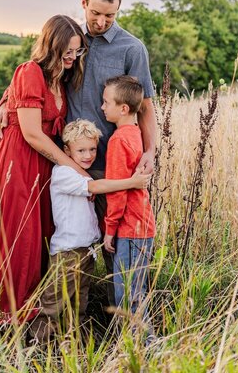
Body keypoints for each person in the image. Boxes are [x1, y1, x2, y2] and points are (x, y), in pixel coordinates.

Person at [0, 0, 156, 304]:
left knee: (116, 242)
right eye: (96, 13)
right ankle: (59, 314)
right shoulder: (72, 40)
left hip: (113, 163)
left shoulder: (132, 49)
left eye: (110, 15)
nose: (101, 21)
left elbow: (146, 106)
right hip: (68, 162)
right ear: (83, 2)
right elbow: (38, 71)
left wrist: (150, 150)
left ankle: (121, 320)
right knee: (67, 242)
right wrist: (4, 105)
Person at [0, 15, 91, 321]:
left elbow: (14, 97)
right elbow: (32, 132)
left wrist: (3, 103)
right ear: (51, 45)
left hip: (43, 167)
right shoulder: (31, 71)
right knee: (16, 236)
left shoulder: (60, 79)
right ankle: (5, 314)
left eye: (77, 51)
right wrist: (75, 170)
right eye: (67, 50)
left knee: (38, 237)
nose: (72, 57)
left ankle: (35, 313)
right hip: (17, 161)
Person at [29, 118, 152, 342]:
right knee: (53, 304)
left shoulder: (78, 173)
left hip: (86, 252)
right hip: (67, 254)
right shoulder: (63, 174)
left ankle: (73, 348)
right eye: (81, 150)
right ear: (66, 150)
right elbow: (95, 186)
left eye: (92, 149)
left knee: (79, 305)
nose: (88, 155)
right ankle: (37, 348)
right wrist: (131, 182)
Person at [102, 76, 156, 340]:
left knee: (128, 297)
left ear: (123, 109)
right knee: (135, 292)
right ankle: (139, 348)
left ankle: (147, 350)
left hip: (130, 228)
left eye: (106, 102)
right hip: (142, 225)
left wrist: (109, 229)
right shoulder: (135, 134)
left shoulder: (118, 141)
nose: (102, 107)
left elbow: (116, 190)